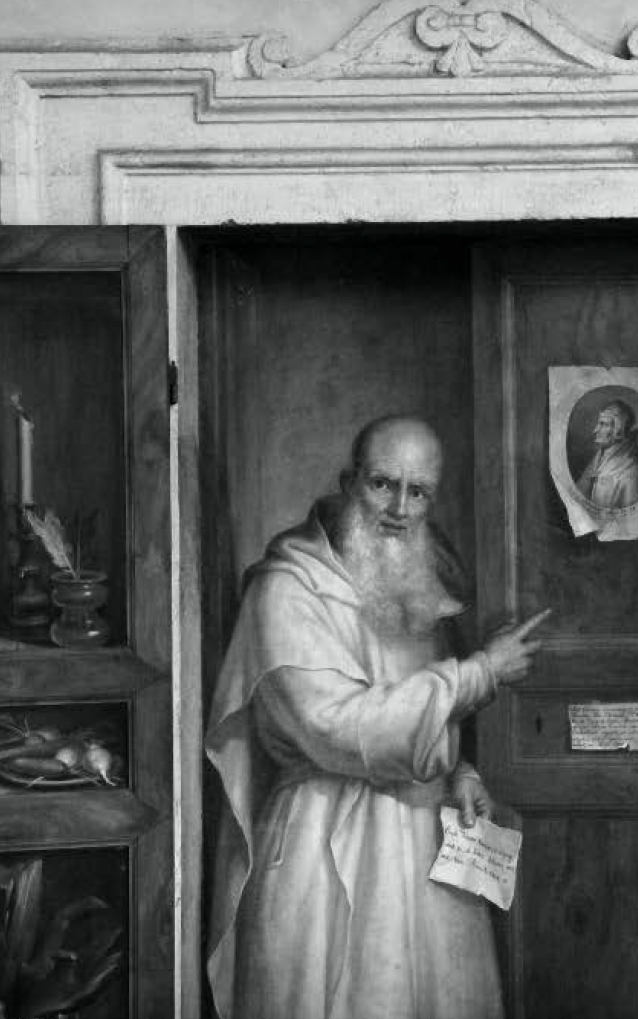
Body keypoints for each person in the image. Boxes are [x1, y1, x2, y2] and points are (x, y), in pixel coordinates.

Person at [204, 415, 551, 1019]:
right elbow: (336, 728)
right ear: (349, 482)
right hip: (321, 846)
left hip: (427, 845)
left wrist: (461, 771)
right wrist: (482, 672)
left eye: (418, 493)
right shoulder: (286, 589)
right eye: (383, 484)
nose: (399, 509)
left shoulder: (425, 582)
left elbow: (432, 719)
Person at [577, 399, 638, 509]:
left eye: (603, 424)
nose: (595, 430)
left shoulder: (633, 473)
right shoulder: (598, 459)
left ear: (619, 431)